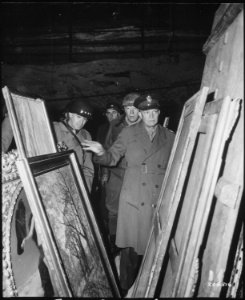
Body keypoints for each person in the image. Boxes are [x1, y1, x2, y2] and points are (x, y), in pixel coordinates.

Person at [82, 94, 175, 295]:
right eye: (146, 112)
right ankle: (124, 288)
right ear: (140, 114)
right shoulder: (128, 133)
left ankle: (150, 287)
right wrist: (100, 152)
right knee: (131, 250)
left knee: (156, 248)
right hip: (134, 197)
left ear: (159, 113)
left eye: (154, 112)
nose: (151, 116)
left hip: (158, 199)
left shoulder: (170, 136)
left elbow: (177, 166)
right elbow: (111, 158)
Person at [101, 93, 141, 257]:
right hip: (117, 173)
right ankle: (114, 242)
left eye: (135, 108)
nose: (131, 112)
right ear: (123, 109)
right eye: (127, 108)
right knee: (113, 209)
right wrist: (105, 172)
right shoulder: (116, 125)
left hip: (138, 176)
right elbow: (107, 148)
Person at [53, 99, 94, 193]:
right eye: (78, 117)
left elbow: (88, 167)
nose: (82, 122)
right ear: (70, 114)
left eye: (85, 119)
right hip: (56, 183)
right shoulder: (54, 128)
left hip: (77, 184)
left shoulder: (86, 135)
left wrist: (85, 191)